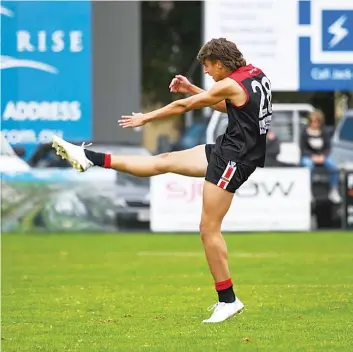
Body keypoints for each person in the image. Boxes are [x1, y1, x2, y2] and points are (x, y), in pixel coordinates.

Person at [52, 38, 272, 323]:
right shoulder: (255, 74)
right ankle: (91, 158)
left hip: (234, 159)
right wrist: (194, 89)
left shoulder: (229, 83)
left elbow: (187, 106)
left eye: (207, 67)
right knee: (163, 161)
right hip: (227, 150)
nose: (206, 72)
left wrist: (147, 117)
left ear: (220, 63)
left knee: (208, 229)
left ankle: (228, 300)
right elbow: (228, 106)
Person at [300, 110, 341, 204]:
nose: (314, 123)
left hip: (322, 156)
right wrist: (312, 156)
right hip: (309, 157)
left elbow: (328, 147)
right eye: (312, 121)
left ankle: (333, 190)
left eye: (316, 121)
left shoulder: (324, 132)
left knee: (332, 166)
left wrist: (323, 156)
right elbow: (303, 149)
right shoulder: (305, 133)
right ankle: (308, 191)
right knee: (307, 165)